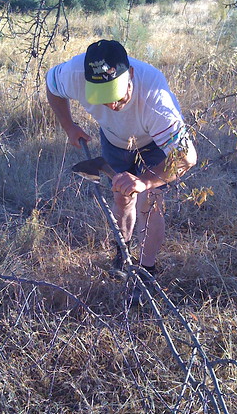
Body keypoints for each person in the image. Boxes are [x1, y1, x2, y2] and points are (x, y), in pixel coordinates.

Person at [46, 39, 197, 283]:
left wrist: (145, 181)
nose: (112, 105)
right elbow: (51, 85)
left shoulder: (155, 99)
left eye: (116, 95)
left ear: (132, 75)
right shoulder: (74, 74)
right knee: (121, 196)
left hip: (154, 142)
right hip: (114, 139)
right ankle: (123, 254)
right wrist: (69, 126)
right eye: (102, 97)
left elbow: (186, 157)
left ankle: (147, 270)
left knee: (151, 201)